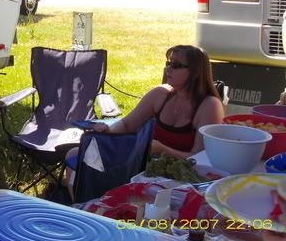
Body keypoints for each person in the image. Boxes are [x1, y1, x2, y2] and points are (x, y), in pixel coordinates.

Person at [65, 45, 224, 200]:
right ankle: (80, 205)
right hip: (142, 162)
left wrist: (163, 150)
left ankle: (100, 202)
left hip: (180, 177)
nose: (168, 69)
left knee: (90, 162)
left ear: (195, 72)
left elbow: (199, 159)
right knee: (75, 154)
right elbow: (127, 124)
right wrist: (109, 131)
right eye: (168, 63)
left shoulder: (209, 106)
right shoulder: (160, 94)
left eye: (176, 65)